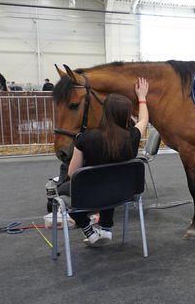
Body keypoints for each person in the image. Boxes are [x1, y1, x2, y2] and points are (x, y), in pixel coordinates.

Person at [56, 78, 150, 245]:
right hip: (124, 192)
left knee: (61, 189)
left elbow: (72, 173)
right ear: (127, 115)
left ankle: (88, 229)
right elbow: (144, 120)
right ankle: (106, 229)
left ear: (104, 112)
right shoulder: (133, 136)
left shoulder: (83, 139)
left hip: (90, 194)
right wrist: (142, 97)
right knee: (111, 181)